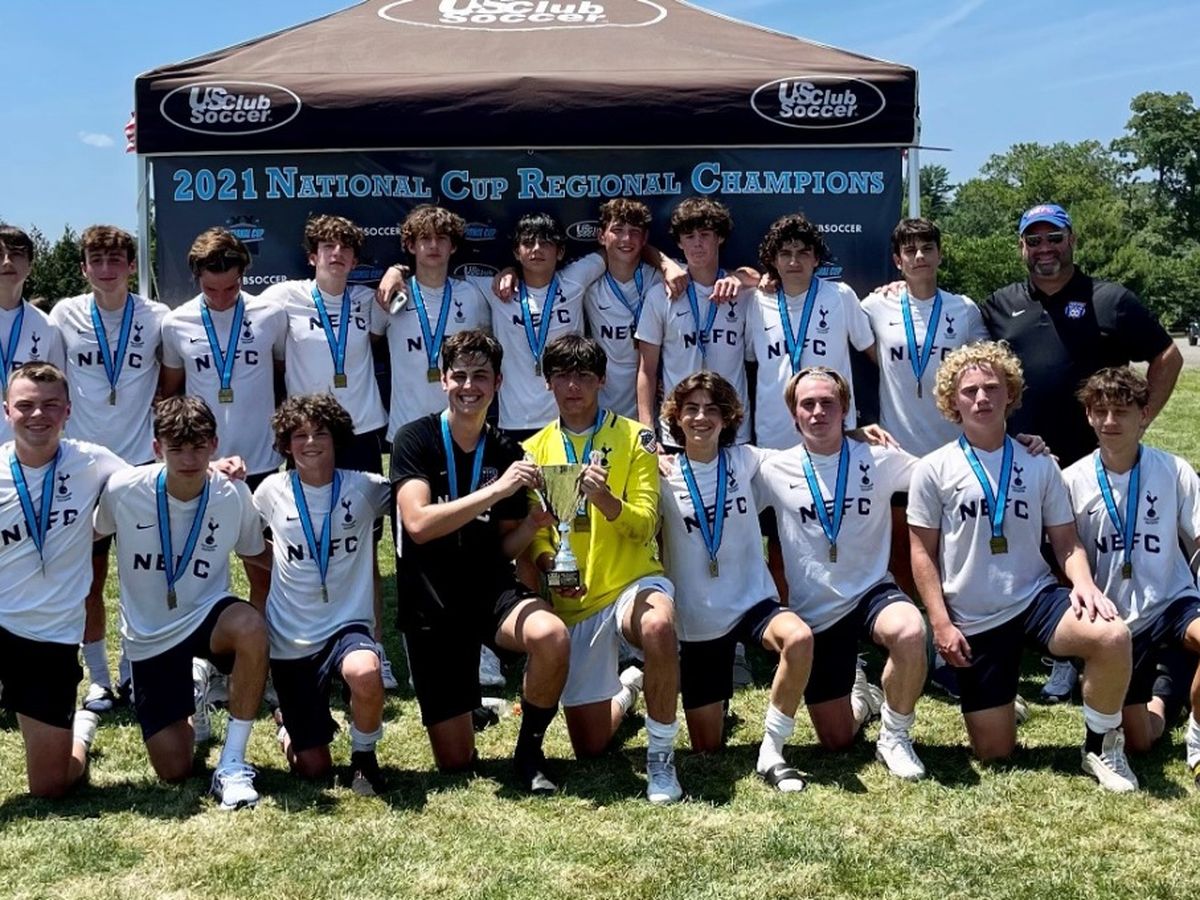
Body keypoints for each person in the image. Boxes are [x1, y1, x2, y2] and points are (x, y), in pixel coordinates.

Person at [907, 341, 1138, 791]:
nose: (982, 398)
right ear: (953, 401)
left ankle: (1101, 746)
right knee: (994, 753)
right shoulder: (933, 469)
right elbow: (921, 553)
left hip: (1035, 600)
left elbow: (1066, 542)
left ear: (1010, 393)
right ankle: (1002, 703)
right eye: (970, 390)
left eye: (992, 387)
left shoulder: (1038, 463)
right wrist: (940, 623)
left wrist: (1084, 584)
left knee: (1111, 636)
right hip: (974, 617)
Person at [983, 203, 1182, 704]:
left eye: (1054, 238)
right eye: (1034, 241)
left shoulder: (1109, 299)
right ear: (1021, 247)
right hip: (1028, 457)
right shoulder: (1000, 304)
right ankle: (1059, 651)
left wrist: (1141, 417)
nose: (1044, 249)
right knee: (1043, 553)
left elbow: (1167, 354)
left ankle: (1100, 648)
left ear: (1071, 240)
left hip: (1097, 457)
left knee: (1092, 552)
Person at [392, 330, 570, 792]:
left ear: (498, 383)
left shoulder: (506, 451)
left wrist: (532, 525)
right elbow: (418, 523)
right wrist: (496, 490)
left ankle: (529, 752)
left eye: (481, 376)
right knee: (455, 763)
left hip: (489, 591)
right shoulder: (415, 439)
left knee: (550, 635)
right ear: (443, 380)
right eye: (459, 376)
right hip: (431, 601)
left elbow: (505, 548)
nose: (469, 386)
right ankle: (471, 708)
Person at [522, 334, 683, 803]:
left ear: (601, 380)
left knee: (657, 626)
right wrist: (554, 571)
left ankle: (661, 757)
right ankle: (630, 688)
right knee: (590, 746)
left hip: (633, 581)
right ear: (548, 383)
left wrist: (607, 500)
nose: (573, 386)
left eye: (584, 376)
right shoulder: (533, 449)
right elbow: (539, 537)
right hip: (578, 598)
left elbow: (646, 523)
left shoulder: (636, 439)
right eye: (562, 376)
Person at [94, 396, 272, 810]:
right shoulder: (123, 489)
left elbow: (256, 554)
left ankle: (232, 763)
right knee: (174, 769)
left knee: (250, 627)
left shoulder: (232, 492)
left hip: (208, 614)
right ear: (157, 448)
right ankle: (196, 685)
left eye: (198, 447)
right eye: (176, 448)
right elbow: (90, 534)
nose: (189, 459)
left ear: (214, 444)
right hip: (150, 635)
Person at [754, 367, 929, 780]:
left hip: (872, 592)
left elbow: (942, 471)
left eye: (827, 403)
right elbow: (716, 474)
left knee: (909, 631)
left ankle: (894, 737)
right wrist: (664, 461)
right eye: (807, 404)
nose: (818, 412)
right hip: (816, 612)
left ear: (845, 409)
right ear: (794, 415)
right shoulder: (773, 469)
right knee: (837, 740)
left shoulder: (879, 457)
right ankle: (864, 699)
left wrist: (1019, 446)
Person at [658, 371, 814, 791]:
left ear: (727, 418)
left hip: (752, 602)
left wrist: (856, 435)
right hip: (699, 620)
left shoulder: (747, 461)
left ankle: (772, 750)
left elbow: (811, 455)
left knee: (799, 638)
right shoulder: (661, 474)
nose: (701, 417)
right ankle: (637, 689)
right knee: (706, 748)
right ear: (676, 417)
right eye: (691, 409)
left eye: (712, 409)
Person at [259, 215, 396, 687]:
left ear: (355, 259)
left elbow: (404, 298)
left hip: (360, 435)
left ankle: (374, 646)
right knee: (297, 544)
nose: (336, 254)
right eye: (327, 247)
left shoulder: (368, 300)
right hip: (307, 436)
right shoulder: (284, 298)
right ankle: (295, 644)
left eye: (345, 248)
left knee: (364, 550)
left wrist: (396, 270)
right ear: (312, 256)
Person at [50, 225, 169, 713]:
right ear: (83, 268)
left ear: (132, 265)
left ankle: (135, 673)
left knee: (144, 579)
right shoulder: (64, 314)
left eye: (115, 259)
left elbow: (170, 379)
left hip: (137, 464)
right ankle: (98, 679)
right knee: (88, 580)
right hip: (82, 467)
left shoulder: (157, 316)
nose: (106, 269)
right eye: (96, 260)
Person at [1062, 366, 1200, 779]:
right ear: (1088, 416)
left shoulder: (1173, 470)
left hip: (1173, 601)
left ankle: (1197, 735)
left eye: (1121, 411)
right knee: (1141, 741)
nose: (1110, 421)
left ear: (1144, 414)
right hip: (1118, 620)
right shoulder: (1071, 480)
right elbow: (1065, 551)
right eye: (1100, 411)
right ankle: (1168, 693)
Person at [253, 394, 391, 795]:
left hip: (348, 624)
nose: (310, 442)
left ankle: (364, 757)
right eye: (299, 435)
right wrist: (281, 559)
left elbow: (413, 496)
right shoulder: (270, 491)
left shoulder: (364, 488)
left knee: (365, 671)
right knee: (313, 768)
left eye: (320, 433)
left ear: (337, 438)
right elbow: (243, 538)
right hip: (292, 636)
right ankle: (287, 725)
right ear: (285, 444)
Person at [0, 362, 123, 796]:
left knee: (51, 786)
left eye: (51, 405)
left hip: (48, 638)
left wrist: (215, 468)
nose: (38, 415)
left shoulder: (92, 461)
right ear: (6, 411)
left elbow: (151, 485)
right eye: (25, 405)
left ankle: (81, 729)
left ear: (68, 411)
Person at [160, 227, 287, 610]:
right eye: (210, 289)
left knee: (263, 570)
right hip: (201, 464)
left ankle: (262, 640)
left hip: (260, 463)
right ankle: (202, 643)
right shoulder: (176, 323)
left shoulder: (270, 315)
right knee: (195, 566)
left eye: (230, 288)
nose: (220, 298)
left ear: (243, 275)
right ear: (196, 277)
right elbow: (171, 392)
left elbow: (281, 374)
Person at [860, 218, 989, 457]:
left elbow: (989, 372)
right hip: (896, 451)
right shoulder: (875, 305)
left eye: (927, 248)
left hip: (955, 450)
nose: (919, 256)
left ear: (939, 255)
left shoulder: (964, 308)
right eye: (910, 251)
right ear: (898, 261)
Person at [745, 213, 875, 450]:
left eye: (803, 253)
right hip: (774, 434)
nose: (794, 261)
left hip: (831, 430)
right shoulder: (755, 302)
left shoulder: (841, 295)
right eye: (785, 254)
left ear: (816, 259)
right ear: (773, 260)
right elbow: (750, 357)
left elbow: (872, 351)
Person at [636, 197, 750, 447]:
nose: (697, 243)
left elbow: (763, 280)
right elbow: (646, 371)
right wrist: (647, 433)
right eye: (689, 236)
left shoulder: (744, 295)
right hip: (677, 433)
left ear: (720, 238)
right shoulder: (659, 296)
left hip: (733, 431)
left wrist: (743, 278)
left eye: (705, 235)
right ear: (679, 242)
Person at [376, 205, 492, 445]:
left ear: (453, 246)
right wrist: (396, 270)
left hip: (461, 430)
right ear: (411, 246)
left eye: (441, 238)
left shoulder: (472, 295)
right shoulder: (390, 295)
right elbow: (365, 343)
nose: (433, 245)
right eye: (425, 238)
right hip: (406, 430)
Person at [583, 198, 668, 420]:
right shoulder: (589, 287)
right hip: (603, 412)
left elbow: (710, 277)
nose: (626, 239)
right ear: (601, 236)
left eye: (634, 232)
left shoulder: (661, 281)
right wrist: (510, 271)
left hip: (654, 413)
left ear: (645, 239)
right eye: (617, 230)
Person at [0, 226, 66, 444]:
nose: (7, 262)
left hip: (27, 449)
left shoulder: (47, 326)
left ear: (30, 265)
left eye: (16, 254)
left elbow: (57, 392)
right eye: (0, 255)